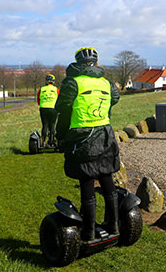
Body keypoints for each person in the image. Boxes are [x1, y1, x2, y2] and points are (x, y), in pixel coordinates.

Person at [55, 46, 121, 242]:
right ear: (96, 63)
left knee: (87, 183)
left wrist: (61, 136)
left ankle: (89, 233)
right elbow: (113, 100)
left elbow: (62, 110)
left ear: (78, 63)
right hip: (106, 136)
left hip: (83, 138)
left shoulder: (73, 83)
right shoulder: (107, 84)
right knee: (108, 180)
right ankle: (114, 225)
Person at [37, 74, 59, 148]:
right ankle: (51, 142)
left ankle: (43, 143)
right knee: (52, 125)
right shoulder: (56, 89)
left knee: (45, 125)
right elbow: (59, 100)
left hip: (43, 108)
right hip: (53, 108)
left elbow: (38, 100)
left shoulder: (42, 89)